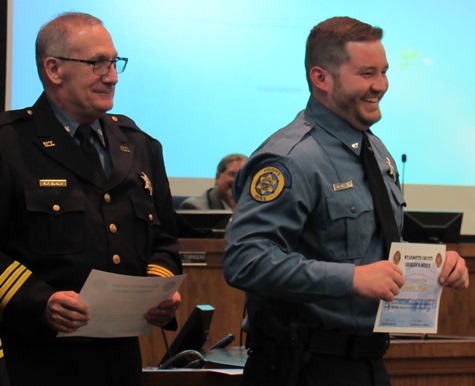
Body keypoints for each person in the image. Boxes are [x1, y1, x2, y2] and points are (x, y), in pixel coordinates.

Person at [223, 16, 469, 386]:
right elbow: (245, 260)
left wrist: (437, 265)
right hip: (302, 367)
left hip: (367, 362)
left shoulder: (374, 149)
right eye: (367, 74)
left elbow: (377, 244)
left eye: (384, 72)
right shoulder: (291, 158)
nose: (381, 86)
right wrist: (350, 279)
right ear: (321, 78)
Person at [0, 12, 182, 386]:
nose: (112, 76)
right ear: (54, 69)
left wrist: (157, 289)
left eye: (115, 62)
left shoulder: (140, 146)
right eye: (97, 63)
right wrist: (40, 301)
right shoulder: (9, 144)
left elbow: (163, 239)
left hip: (122, 358)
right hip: (35, 358)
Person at [180, 153, 247, 211]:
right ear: (217, 177)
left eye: (244, 176)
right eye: (233, 175)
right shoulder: (194, 207)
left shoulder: (252, 207)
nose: (238, 181)